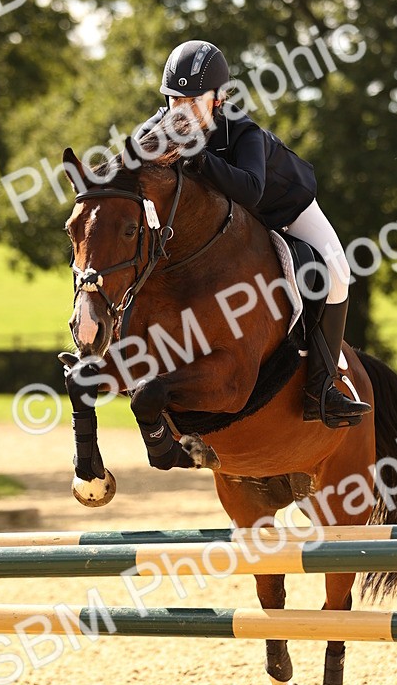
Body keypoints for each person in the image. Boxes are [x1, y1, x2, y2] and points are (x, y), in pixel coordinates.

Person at [136, 39, 370, 427]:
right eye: (175, 100)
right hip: (237, 225)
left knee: (339, 274)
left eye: (194, 100)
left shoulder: (243, 132)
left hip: (286, 208)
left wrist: (200, 156)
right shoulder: (158, 128)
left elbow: (250, 191)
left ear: (218, 98)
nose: (182, 110)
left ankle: (322, 389)